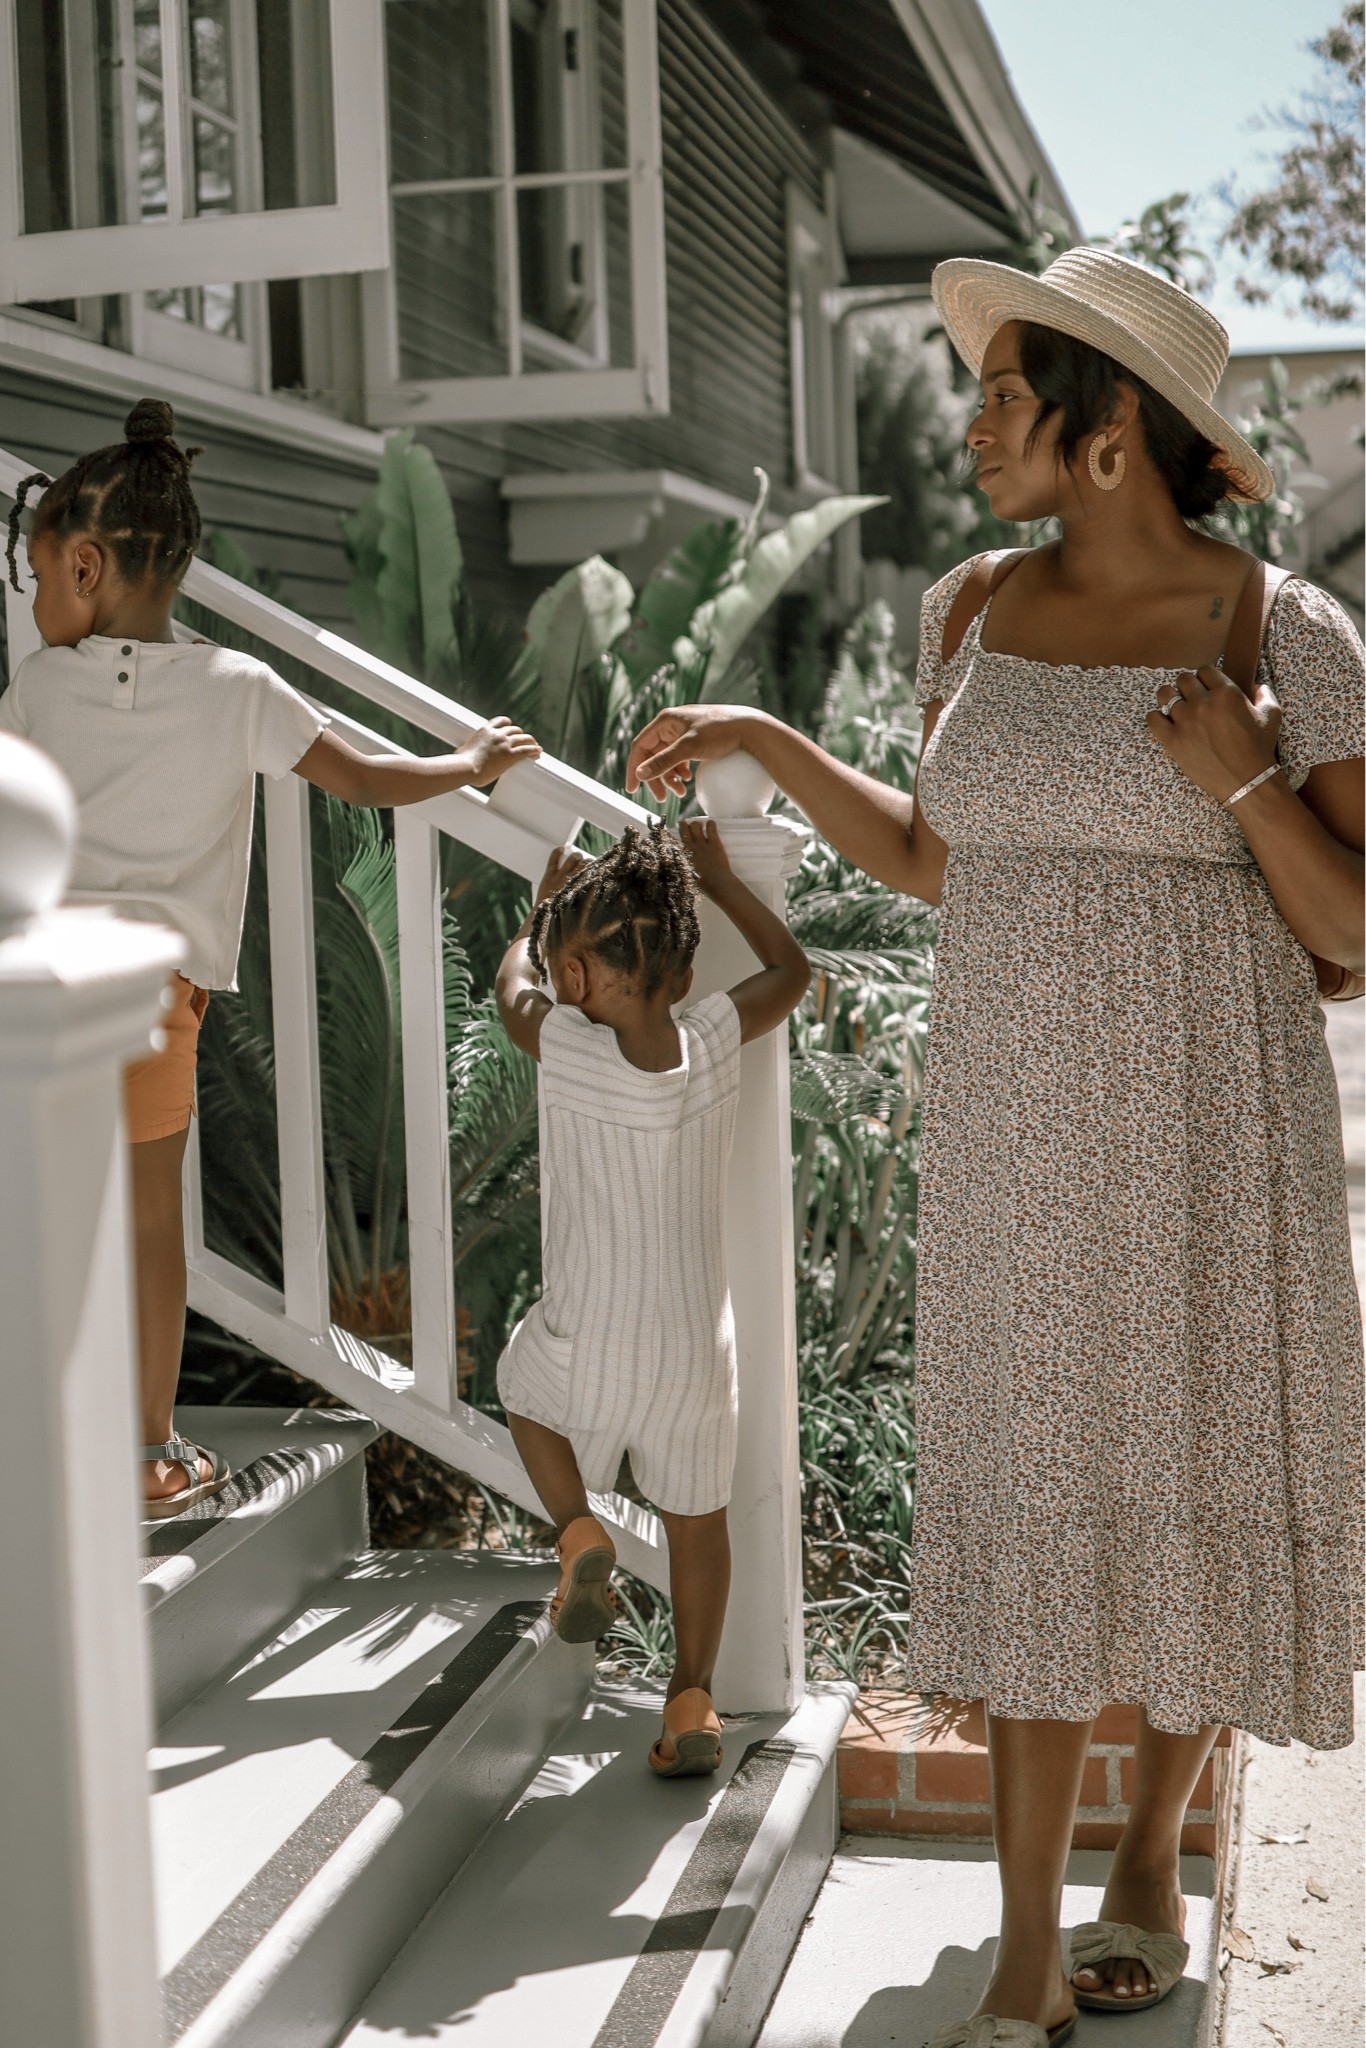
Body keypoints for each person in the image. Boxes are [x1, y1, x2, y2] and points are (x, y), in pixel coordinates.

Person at [626, 248, 1364, 2045]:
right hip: (1018, 1132)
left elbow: (1355, 918)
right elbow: (947, 860)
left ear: (1112, 429)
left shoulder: (1288, 632)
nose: (973, 426)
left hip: (1214, 1132)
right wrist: (766, 744)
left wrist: (1245, 783)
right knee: (1037, 1494)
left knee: (1190, 1480)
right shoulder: (966, 608)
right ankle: (1029, 1946)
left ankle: (1146, 1858)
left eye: (1008, 397)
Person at [2, 399, 541, 1520]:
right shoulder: (237, 689)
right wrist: (468, 762)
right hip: (151, 1002)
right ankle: (149, 1456)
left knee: (40, 1219)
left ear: (91, 566)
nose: (38, 603)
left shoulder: (40, 690)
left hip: (38, 991)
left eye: (42, 577)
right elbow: (360, 774)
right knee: (152, 1226)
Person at [494, 818, 809, 1775]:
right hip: (693, 1351)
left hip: (588, 1335)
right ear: (682, 974)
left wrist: (539, 909)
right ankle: (694, 1702)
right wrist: (722, 875)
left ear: (576, 982)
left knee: (520, 1387)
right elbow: (791, 974)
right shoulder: (710, 1036)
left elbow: (511, 987)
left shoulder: (566, 1044)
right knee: (697, 1522)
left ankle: (579, 1530)